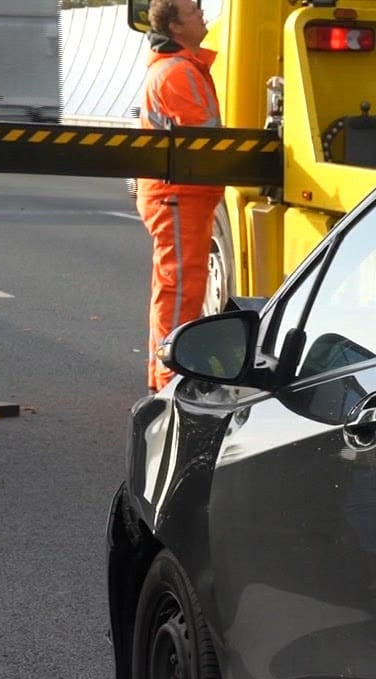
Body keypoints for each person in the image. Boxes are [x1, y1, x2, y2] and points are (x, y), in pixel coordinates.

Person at [136, 0, 224, 393]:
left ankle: (164, 375)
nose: (201, 14)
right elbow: (204, 137)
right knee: (178, 289)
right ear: (174, 27)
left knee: (179, 287)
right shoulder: (177, 72)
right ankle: (169, 379)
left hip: (181, 194)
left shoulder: (181, 67)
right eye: (192, 11)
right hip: (177, 194)